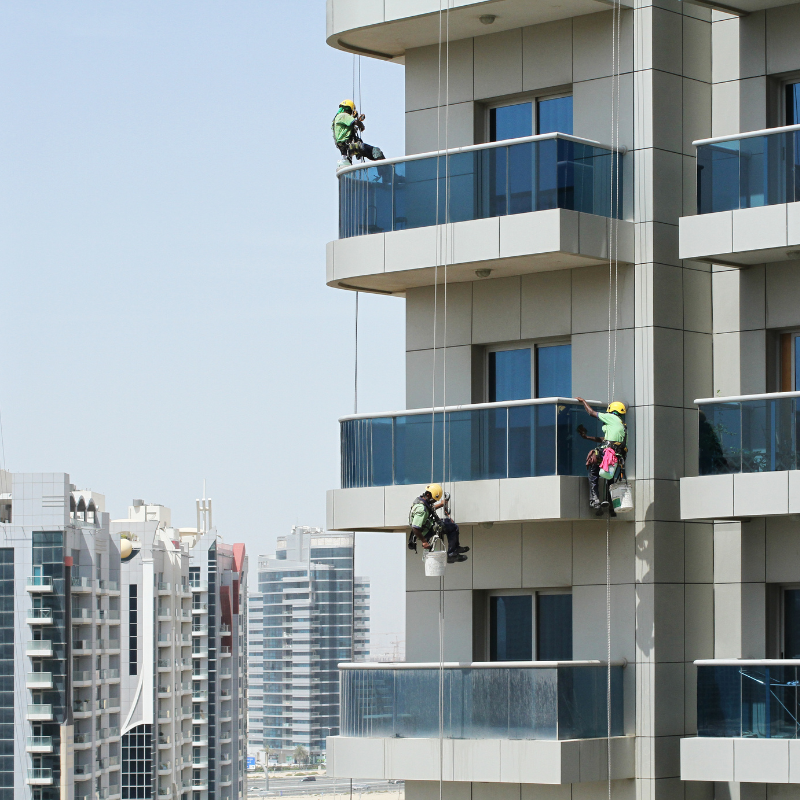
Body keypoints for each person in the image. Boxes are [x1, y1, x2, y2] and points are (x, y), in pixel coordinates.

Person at [576, 398, 628, 513]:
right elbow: (605, 439)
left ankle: (595, 500)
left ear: (611, 410)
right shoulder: (622, 425)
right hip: (616, 456)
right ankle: (611, 504)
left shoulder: (611, 417)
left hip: (608, 453)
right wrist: (587, 437)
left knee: (593, 470)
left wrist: (583, 402)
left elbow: (591, 413)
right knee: (609, 477)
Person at [408, 483, 468, 564]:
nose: (435, 501)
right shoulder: (421, 509)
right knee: (453, 527)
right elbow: (415, 527)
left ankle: (455, 548)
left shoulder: (422, 501)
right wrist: (424, 541)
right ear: (428, 495)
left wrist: (441, 504)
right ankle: (451, 554)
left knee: (448, 522)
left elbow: (430, 508)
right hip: (425, 532)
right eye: (434, 499)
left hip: (427, 526)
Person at [332, 99, 385, 166]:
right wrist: (361, 126)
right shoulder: (343, 115)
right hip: (350, 146)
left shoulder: (337, 118)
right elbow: (356, 122)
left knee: (349, 162)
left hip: (344, 148)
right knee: (376, 151)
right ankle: (385, 166)